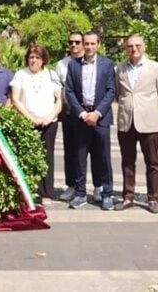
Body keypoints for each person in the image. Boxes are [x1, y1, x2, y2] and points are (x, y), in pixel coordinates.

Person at [113, 34, 158, 214]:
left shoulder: (156, 67)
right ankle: (128, 197)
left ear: (144, 46)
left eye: (137, 45)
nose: (134, 49)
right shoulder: (120, 68)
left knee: (152, 162)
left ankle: (153, 198)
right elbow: (117, 93)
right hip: (126, 122)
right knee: (127, 162)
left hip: (149, 123)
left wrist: (151, 110)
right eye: (130, 46)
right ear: (126, 48)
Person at [65, 31, 116, 210]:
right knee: (80, 157)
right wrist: (82, 114)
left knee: (103, 157)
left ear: (98, 45)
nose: (89, 47)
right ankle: (80, 193)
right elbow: (69, 91)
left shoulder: (107, 64)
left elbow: (111, 91)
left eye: (92, 44)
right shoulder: (73, 65)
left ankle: (107, 193)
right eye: (86, 44)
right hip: (81, 118)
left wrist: (97, 113)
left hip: (100, 118)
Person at [10, 44, 61, 204]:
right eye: (31, 57)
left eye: (37, 57)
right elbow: (15, 99)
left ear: (43, 59)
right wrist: (30, 118)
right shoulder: (20, 75)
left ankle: (46, 193)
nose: (34, 60)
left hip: (48, 122)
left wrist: (50, 116)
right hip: (26, 122)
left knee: (47, 157)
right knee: (26, 157)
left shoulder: (52, 75)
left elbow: (59, 100)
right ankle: (29, 191)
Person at [55, 32, 100, 202]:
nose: (74, 45)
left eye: (77, 42)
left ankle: (98, 186)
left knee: (96, 151)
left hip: (93, 113)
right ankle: (72, 185)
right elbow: (61, 90)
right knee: (72, 152)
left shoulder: (94, 61)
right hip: (70, 113)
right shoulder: (62, 64)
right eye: (71, 42)